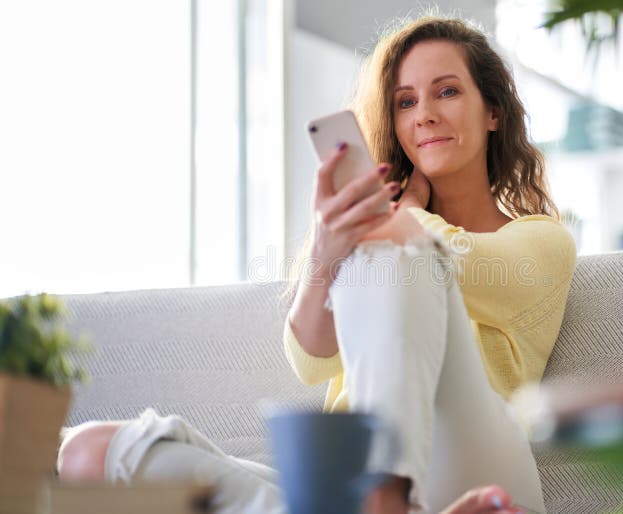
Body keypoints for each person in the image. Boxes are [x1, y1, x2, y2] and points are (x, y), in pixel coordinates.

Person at [57, 14, 576, 514]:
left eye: (447, 91)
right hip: (342, 480)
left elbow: (450, 258)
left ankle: (384, 492)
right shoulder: (377, 232)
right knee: (92, 451)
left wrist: (407, 214)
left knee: (398, 256)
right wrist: (327, 251)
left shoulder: (541, 240)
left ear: (493, 112)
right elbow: (310, 360)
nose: (424, 114)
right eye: (405, 101)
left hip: (484, 472)